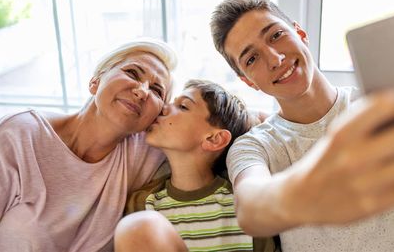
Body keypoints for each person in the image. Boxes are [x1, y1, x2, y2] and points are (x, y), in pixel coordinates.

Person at [209, 0, 394, 252]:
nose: (275, 59)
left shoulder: (374, 103)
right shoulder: (254, 145)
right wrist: (308, 194)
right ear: (248, 81)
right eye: (251, 59)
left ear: (301, 33)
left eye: (275, 35)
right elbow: (249, 208)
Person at [0, 38, 177, 252]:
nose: (142, 91)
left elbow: (207, 127)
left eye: (157, 91)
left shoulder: (147, 149)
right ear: (95, 81)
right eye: (132, 73)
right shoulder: (19, 134)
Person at [114, 79, 279, 252]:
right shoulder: (142, 205)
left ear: (214, 139)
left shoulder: (246, 206)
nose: (163, 107)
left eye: (183, 106)